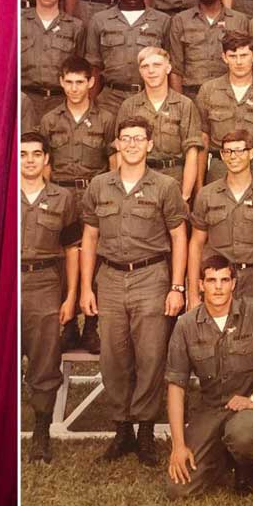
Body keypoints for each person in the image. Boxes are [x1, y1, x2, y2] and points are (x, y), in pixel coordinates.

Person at [79, 116, 188, 467]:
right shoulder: (99, 186)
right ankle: (121, 429)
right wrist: (86, 287)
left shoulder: (165, 186)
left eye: (138, 138)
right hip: (109, 278)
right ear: (116, 144)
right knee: (113, 357)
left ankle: (145, 432)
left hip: (151, 276)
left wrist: (177, 286)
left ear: (150, 144)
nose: (131, 145)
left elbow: (179, 237)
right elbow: (89, 238)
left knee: (151, 356)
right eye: (125, 138)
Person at [165, 255, 253, 498]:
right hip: (210, 409)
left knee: (244, 434)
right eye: (211, 280)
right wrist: (178, 445)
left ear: (234, 283)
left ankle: (244, 462)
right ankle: (222, 457)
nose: (218, 287)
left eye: (224, 280)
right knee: (179, 489)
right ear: (200, 285)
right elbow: (176, 385)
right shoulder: (186, 325)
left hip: (248, 408)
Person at [40, 55, 116, 354]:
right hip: (62, 196)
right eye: (69, 82)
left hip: (94, 196)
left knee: (95, 260)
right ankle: (69, 325)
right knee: (64, 259)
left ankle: (92, 327)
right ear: (61, 82)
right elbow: (45, 165)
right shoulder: (50, 120)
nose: (74, 88)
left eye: (80, 82)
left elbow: (114, 163)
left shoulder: (106, 119)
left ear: (91, 82)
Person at [19, 132, 81, 464]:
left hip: (44, 282)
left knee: (44, 359)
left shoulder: (63, 198)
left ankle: (41, 432)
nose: (29, 160)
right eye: (23, 154)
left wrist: (70, 297)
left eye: (35, 154)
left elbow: (72, 250)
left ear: (46, 160)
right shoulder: (5, 193)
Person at [187, 130, 253, 315]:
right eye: (227, 152)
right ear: (222, 155)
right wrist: (193, 294)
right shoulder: (206, 195)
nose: (233, 157)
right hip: (218, 279)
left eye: (239, 151)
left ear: (251, 153)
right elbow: (196, 243)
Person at [194, 30, 253, 187]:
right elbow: (202, 140)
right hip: (220, 168)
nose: (239, 62)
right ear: (224, 57)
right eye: (233, 56)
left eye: (244, 55)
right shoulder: (208, 91)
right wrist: (199, 187)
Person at [85, 0, 172, 116]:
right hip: (109, 101)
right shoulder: (99, 20)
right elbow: (94, 67)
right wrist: (90, 105)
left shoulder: (163, 21)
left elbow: (170, 67)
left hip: (150, 98)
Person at [116, 46, 203, 198]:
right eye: (145, 66)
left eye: (157, 65)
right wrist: (124, 190)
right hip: (139, 182)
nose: (151, 71)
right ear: (140, 71)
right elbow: (120, 152)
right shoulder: (129, 106)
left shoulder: (184, 105)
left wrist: (185, 195)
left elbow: (192, 153)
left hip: (174, 180)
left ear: (168, 68)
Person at [166, 0, 250, 96]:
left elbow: (249, 65)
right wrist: (180, 104)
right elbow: (176, 69)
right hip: (192, 95)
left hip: (229, 95)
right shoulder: (180, 20)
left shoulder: (239, 20)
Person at [22, 0, 86, 120]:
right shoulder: (19, 21)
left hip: (61, 103)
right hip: (25, 101)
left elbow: (80, 68)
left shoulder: (75, 27)